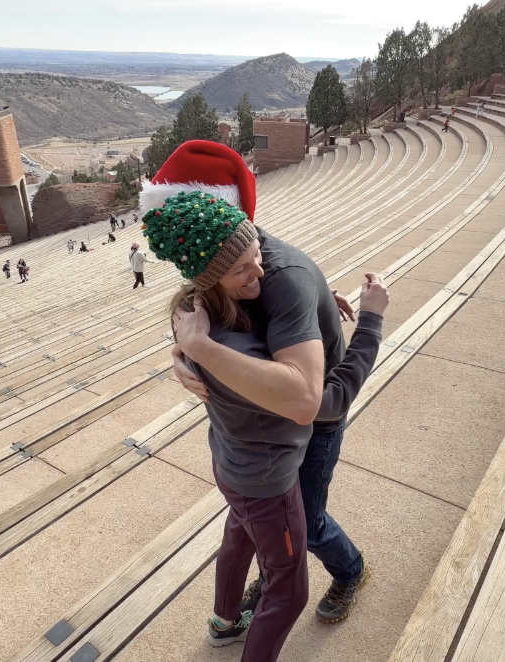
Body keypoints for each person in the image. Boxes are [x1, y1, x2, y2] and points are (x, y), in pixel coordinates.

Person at [146, 166, 388, 660]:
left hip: (233, 465)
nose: (259, 271)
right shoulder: (235, 354)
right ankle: (349, 570)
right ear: (209, 277)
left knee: (241, 530)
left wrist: (313, 299)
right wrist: (372, 320)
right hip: (274, 465)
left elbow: (281, 286)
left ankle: (225, 621)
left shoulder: (201, 312)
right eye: (241, 269)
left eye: (257, 255)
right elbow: (318, 402)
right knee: (299, 547)